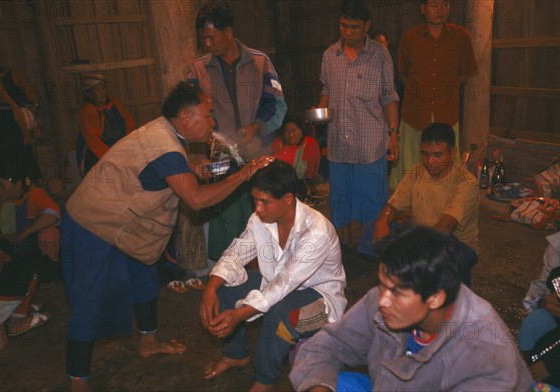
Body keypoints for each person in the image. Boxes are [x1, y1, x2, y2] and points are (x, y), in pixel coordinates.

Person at [61, 82, 273, 391]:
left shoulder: (167, 133)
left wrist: (190, 165)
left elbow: (162, 166)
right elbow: (197, 200)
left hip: (123, 222)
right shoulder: (165, 147)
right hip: (93, 223)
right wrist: (243, 174)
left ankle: (149, 342)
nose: (213, 123)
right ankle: (77, 380)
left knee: (145, 277)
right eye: (208, 115)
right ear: (186, 117)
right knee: (88, 300)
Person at [289, 227, 533, 391]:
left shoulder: (485, 354)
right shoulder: (384, 301)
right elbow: (327, 345)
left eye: (396, 293)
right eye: (382, 285)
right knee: (321, 376)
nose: (382, 300)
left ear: (436, 298)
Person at [199, 160, 347, 392]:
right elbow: (236, 253)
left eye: (264, 202)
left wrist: (240, 314)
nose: (257, 208)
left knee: (280, 311)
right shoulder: (260, 219)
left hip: (319, 301)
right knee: (226, 284)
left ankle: (265, 380)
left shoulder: (316, 230)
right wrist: (210, 288)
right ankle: (236, 354)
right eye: (255, 200)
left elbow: (285, 283)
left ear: (288, 198)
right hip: (277, 287)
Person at [186, 1, 287, 263]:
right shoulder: (198, 70)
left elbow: (277, 104)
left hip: (258, 161)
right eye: (203, 39)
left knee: (265, 229)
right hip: (223, 166)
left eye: (211, 37)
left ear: (228, 32)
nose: (206, 43)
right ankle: (230, 284)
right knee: (229, 233)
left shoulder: (260, 62)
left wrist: (257, 127)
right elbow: (188, 117)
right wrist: (198, 152)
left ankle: (269, 283)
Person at [318, 0, 399, 250]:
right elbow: (326, 90)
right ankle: (342, 251)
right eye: (343, 26)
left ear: (367, 26)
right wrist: (320, 114)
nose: (348, 32)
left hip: (370, 145)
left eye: (354, 27)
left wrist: (393, 134)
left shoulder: (379, 54)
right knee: (340, 201)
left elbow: (388, 96)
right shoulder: (330, 55)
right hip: (339, 145)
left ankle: (372, 251)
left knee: (371, 202)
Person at [371, 123, 479, 286]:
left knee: (432, 261)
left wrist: (410, 248)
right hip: (422, 235)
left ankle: (452, 297)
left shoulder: (466, 182)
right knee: (371, 232)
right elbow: (393, 206)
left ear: (452, 152)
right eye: (425, 154)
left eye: (437, 155)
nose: (430, 161)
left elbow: (445, 228)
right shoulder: (416, 172)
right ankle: (403, 285)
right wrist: (381, 222)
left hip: (455, 243)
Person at [389, 0, 477, 190]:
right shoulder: (409, 38)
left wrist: (443, 89)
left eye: (445, 5)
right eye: (434, 5)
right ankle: (409, 205)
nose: (440, 10)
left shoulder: (461, 37)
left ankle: (443, 207)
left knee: (445, 166)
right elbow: (403, 74)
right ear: (423, 9)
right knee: (412, 163)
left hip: (446, 112)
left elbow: (465, 73)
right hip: (415, 113)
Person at [0, 163, 61, 285]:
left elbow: (53, 214)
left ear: (18, 184)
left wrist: (24, 234)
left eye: (2, 185)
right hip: (6, 255)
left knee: (49, 232)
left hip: (34, 251)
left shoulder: (34, 195)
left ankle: (42, 279)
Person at [0, 43, 41, 180]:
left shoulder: (10, 73)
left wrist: (34, 103)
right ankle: (9, 188)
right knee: (2, 155)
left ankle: (30, 185)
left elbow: (27, 88)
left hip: (15, 119)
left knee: (23, 152)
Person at [523, 227, 560, 390]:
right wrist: (547, 301)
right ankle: (526, 360)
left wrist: (548, 366)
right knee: (536, 321)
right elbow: (554, 276)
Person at [76, 73, 136, 175]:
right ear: (89, 93)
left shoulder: (114, 104)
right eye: (98, 90)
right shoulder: (87, 111)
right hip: (98, 155)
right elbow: (94, 142)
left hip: (121, 150)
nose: (103, 93)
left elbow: (130, 124)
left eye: (104, 89)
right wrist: (113, 158)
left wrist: (129, 146)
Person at [271, 114, 321, 202]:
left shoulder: (309, 144)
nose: (290, 134)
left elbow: (311, 174)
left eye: (294, 130)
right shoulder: (277, 144)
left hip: (300, 188)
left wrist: (313, 191)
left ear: (301, 131)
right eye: (287, 131)